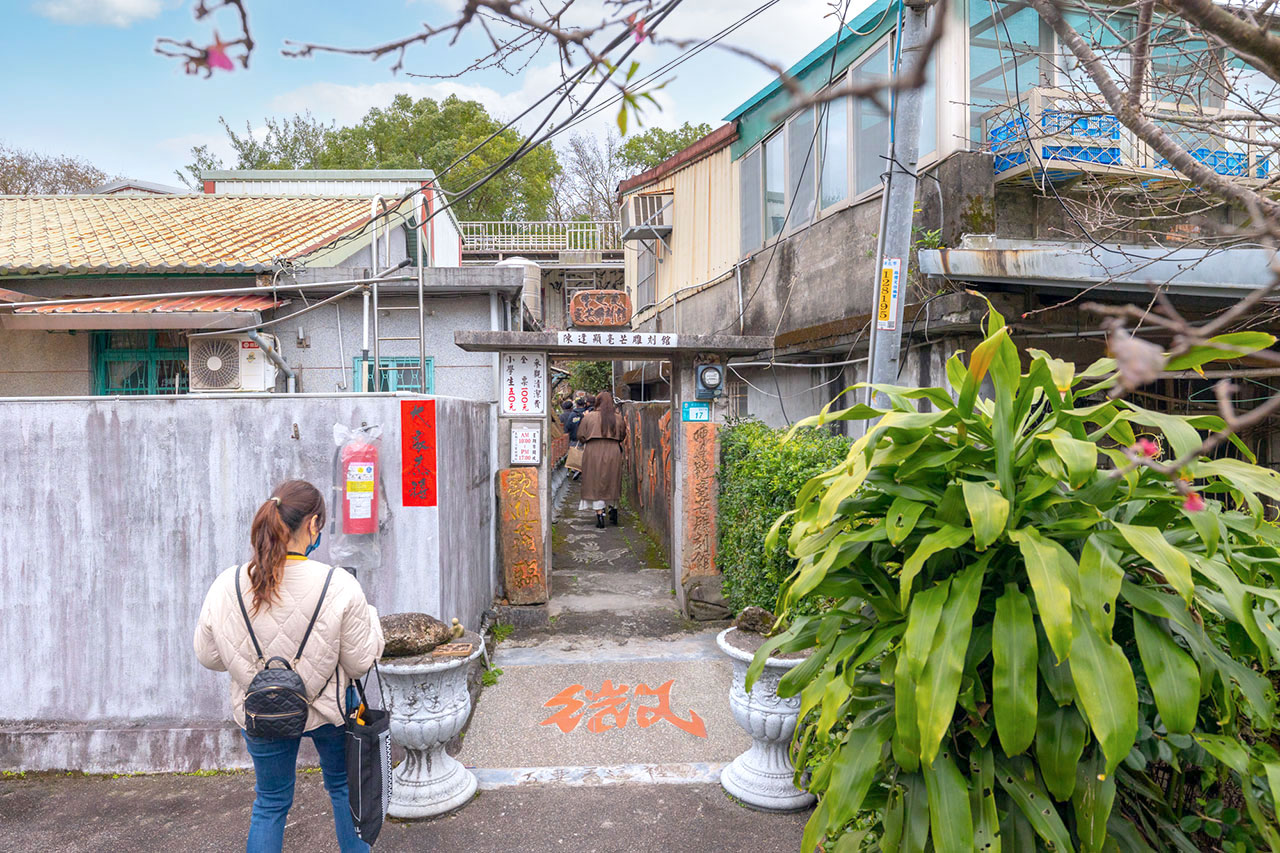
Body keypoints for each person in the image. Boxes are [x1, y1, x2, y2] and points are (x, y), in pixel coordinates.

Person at [194, 480, 385, 853]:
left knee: (270, 802)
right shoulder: (338, 585)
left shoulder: (228, 584)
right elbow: (360, 662)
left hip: (262, 712)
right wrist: (372, 622)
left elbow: (209, 655)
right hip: (331, 712)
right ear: (313, 525)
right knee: (346, 793)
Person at [577, 390, 628, 528]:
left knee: (595, 481)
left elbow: (581, 435)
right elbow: (623, 436)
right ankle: (613, 509)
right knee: (612, 480)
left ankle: (599, 514)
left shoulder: (589, 417)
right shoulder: (618, 418)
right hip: (613, 451)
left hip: (593, 451)